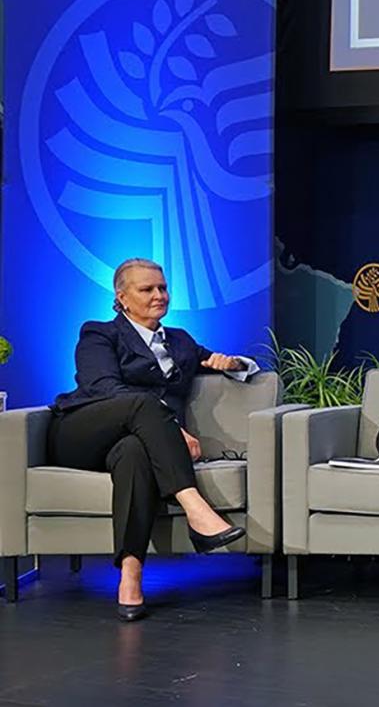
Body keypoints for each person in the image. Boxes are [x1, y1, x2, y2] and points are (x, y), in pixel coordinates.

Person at [50, 258, 259, 621]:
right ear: (123, 298)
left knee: (134, 453)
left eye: (162, 288)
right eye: (147, 289)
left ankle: (130, 577)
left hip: (131, 443)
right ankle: (196, 509)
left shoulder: (179, 340)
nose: (159, 295)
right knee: (142, 404)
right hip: (81, 433)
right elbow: (104, 388)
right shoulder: (98, 334)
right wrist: (170, 429)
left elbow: (222, 360)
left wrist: (233, 364)